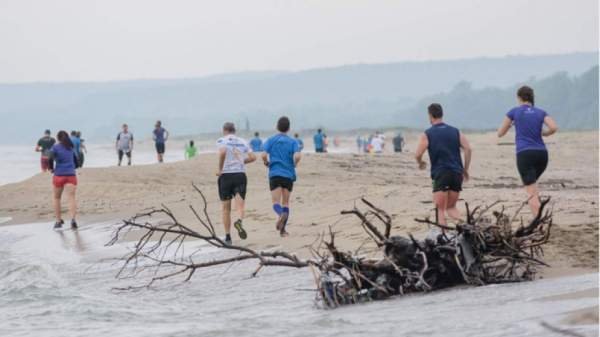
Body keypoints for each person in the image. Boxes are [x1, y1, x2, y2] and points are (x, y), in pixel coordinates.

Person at [497, 86, 558, 217]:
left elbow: (500, 133)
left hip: (525, 154)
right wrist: (545, 134)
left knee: (531, 192)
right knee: (533, 188)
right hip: (542, 154)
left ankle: (538, 223)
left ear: (519, 98)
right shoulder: (541, 112)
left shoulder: (514, 112)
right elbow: (553, 127)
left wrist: (512, 124)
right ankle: (539, 215)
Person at [415, 103, 472, 238]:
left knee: (440, 209)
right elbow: (468, 149)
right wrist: (465, 169)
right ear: (441, 114)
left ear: (430, 116)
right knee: (451, 207)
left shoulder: (427, 133)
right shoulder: (455, 131)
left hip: (441, 173)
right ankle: (467, 229)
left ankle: (443, 236)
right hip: (456, 172)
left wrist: (420, 162)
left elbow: (417, 154)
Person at [216, 122, 256, 245]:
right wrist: (241, 161)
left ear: (224, 130)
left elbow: (222, 153)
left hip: (226, 176)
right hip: (240, 175)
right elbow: (253, 157)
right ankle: (239, 221)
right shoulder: (243, 141)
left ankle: (228, 237)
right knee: (240, 206)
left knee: (225, 209)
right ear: (234, 130)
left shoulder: (221, 140)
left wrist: (220, 168)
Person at [262, 117, 302, 237]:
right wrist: (295, 163)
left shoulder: (271, 140)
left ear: (277, 127)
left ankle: (280, 214)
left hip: (275, 173)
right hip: (288, 175)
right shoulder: (293, 142)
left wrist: (266, 162)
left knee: (276, 202)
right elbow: (298, 156)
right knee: (286, 203)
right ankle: (283, 231)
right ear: (289, 128)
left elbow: (263, 154)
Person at [48, 130, 79, 229]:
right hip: (71, 175)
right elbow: (76, 162)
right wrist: (72, 167)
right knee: (71, 198)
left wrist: (51, 168)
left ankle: (58, 221)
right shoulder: (70, 147)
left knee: (57, 198)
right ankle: (73, 220)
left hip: (59, 175)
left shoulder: (55, 147)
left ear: (58, 138)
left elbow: (50, 158)